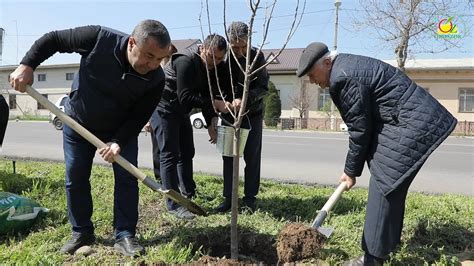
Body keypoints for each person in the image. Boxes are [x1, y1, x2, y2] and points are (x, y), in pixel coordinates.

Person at [9, 20, 171, 257]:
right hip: (79, 122)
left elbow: (139, 117)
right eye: (149, 56)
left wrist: (118, 141)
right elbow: (54, 39)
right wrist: (27, 64)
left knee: (127, 179)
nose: (153, 64)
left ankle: (125, 234)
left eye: (159, 59)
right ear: (132, 42)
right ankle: (81, 232)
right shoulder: (98, 39)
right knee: (75, 176)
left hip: (119, 129)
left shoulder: (156, 79)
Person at [296, 42, 457, 265]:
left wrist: (350, 171)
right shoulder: (346, 66)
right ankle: (386, 246)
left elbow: (360, 130)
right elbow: (366, 123)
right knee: (393, 186)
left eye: (312, 75)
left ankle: (371, 259)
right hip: (409, 120)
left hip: (409, 124)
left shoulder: (342, 78)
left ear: (326, 63)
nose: (313, 81)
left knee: (384, 184)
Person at [152, 34, 230, 220]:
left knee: (187, 152)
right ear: (202, 48)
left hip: (181, 111)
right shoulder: (185, 61)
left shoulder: (210, 68)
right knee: (169, 154)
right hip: (165, 107)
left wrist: (211, 121)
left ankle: (188, 192)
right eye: (212, 56)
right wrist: (215, 104)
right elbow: (185, 96)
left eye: (220, 58)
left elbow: (204, 94)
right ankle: (173, 204)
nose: (216, 62)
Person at [215, 22, 269, 213]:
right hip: (229, 114)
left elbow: (263, 88)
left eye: (242, 46)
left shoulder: (257, 57)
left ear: (249, 41)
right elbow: (217, 86)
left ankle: (250, 199)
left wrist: (245, 99)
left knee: (252, 157)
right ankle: (229, 198)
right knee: (228, 156)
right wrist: (225, 102)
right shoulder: (223, 58)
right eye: (234, 46)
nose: (239, 51)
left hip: (252, 114)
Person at [144, 43, 178, 180]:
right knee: (158, 148)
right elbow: (146, 96)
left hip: (169, 113)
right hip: (154, 112)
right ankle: (159, 177)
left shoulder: (174, 68)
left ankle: (170, 177)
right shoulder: (153, 70)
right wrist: (147, 119)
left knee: (170, 148)